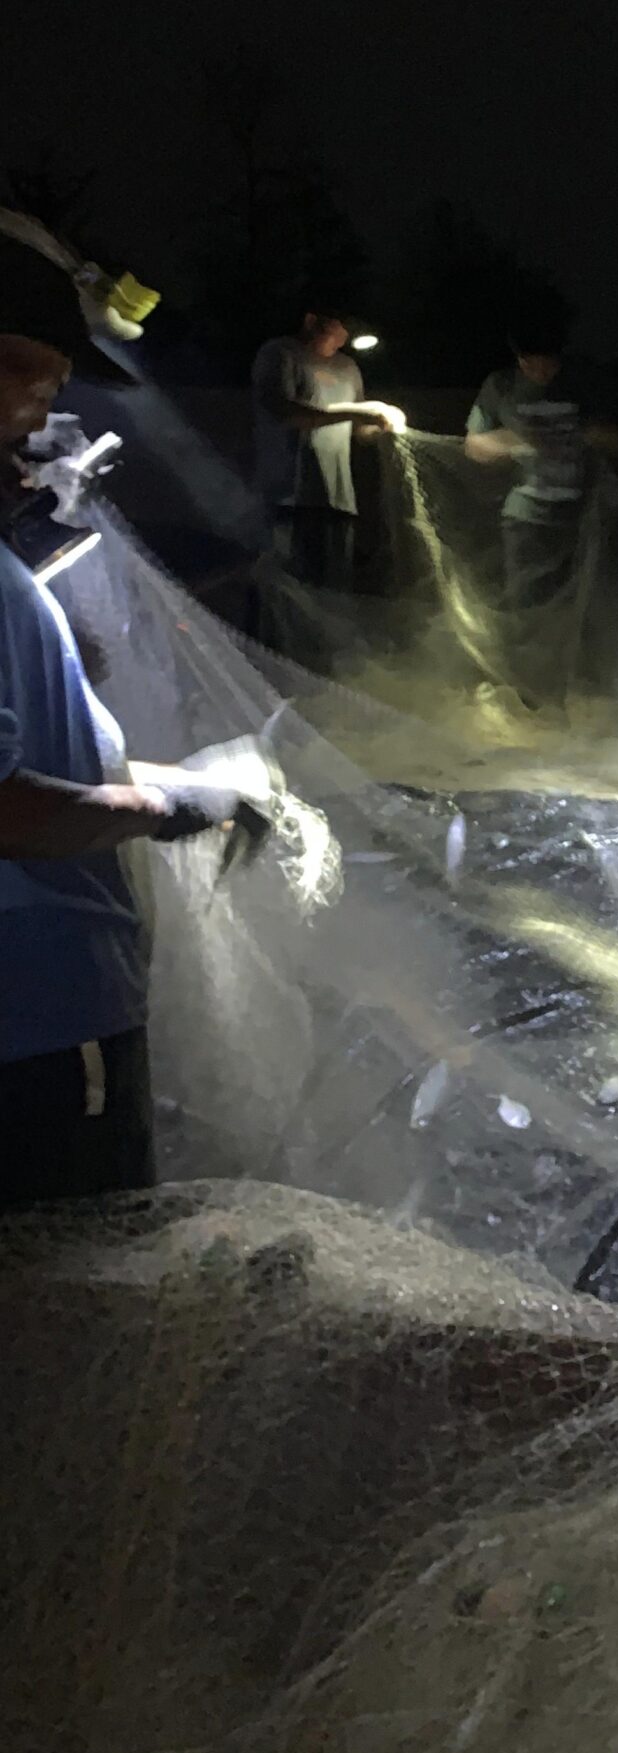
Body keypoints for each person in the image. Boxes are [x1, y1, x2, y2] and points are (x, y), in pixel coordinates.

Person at [2, 238, 264, 1208]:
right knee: (74, 1285)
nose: (50, 407)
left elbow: (37, 747)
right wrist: (164, 807)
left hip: (52, 1006)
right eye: (39, 375)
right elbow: (10, 810)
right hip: (36, 1016)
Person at [464, 312, 618, 614]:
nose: (540, 373)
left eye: (548, 364)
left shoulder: (586, 382)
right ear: (518, 358)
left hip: (583, 517)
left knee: (578, 606)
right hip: (525, 518)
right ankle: (525, 660)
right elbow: (473, 446)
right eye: (529, 364)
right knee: (525, 604)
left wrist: (593, 434)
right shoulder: (501, 385)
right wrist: (517, 440)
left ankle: (569, 661)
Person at [250, 307, 401, 605]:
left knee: (331, 592)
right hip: (289, 495)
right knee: (285, 590)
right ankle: (271, 649)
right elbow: (285, 411)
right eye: (337, 327)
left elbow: (359, 431)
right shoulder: (280, 353)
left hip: (337, 499)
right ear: (311, 320)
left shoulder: (348, 367)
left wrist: (382, 424)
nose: (343, 337)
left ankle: (325, 652)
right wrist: (357, 411)